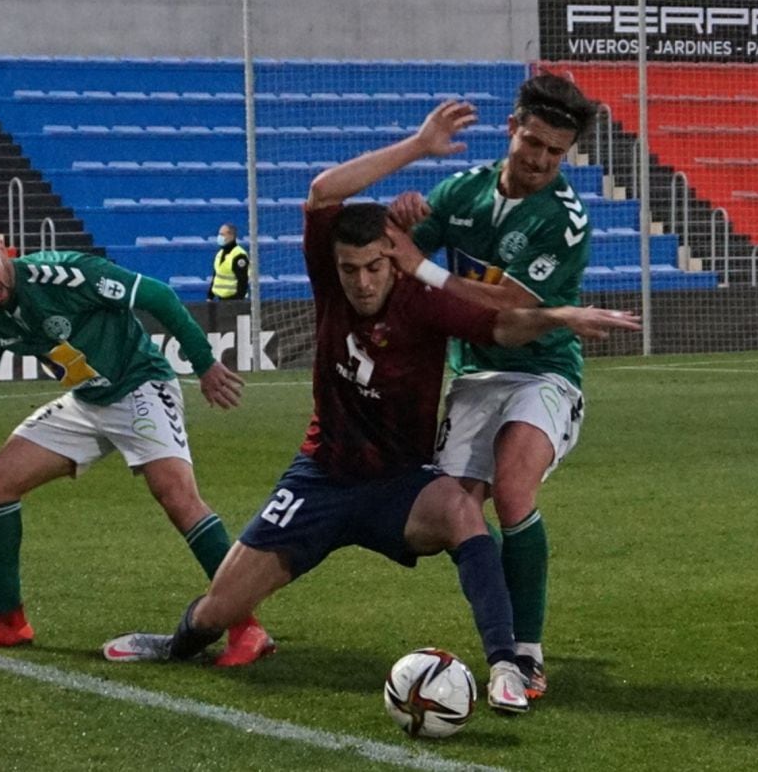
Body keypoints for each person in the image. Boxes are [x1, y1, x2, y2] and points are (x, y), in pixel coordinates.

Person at [101, 101, 639, 715]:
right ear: (334, 268)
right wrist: (417, 144)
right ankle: (175, 644)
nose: (361, 281)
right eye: (349, 268)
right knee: (220, 609)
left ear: (394, 258)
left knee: (465, 512)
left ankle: (508, 664)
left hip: (398, 486)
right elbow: (322, 191)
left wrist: (561, 316)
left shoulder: (425, 299)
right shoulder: (335, 280)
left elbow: (506, 324)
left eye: (375, 266)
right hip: (321, 477)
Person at [0, 214, 273, 665]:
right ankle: (8, 621)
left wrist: (204, 364)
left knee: (177, 495)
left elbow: (158, 296)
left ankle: (247, 626)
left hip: (140, 384)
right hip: (87, 401)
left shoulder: (64, 274)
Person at [384, 73, 601, 699]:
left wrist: (420, 264)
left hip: (544, 371)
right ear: (512, 128)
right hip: (474, 376)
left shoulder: (564, 220)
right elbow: (399, 250)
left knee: (511, 490)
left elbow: (510, 306)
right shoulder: (462, 193)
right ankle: (499, 640)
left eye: (554, 153)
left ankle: (524, 652)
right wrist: (403, 216)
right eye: (532, 142)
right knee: (450, 514)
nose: (538, 160)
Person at [206, 222, 249, 301]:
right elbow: (216, 275)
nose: (219, 237)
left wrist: (238, 301)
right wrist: (210, 296)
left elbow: (242, 281)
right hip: (220, 299)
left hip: (233, 300)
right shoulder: (220, 253)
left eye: (222, 235)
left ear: (231, 236)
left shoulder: (239, 255)